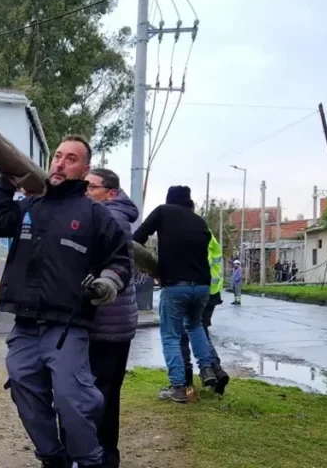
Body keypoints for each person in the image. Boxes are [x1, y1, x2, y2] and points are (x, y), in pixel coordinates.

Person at [0, 135, 132, 468]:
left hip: (67, 326)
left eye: (71, 159)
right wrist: (5, 182)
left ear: (84, 169)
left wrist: (108, 282)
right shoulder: (31, 206)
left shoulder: (95, 214)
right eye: (58, 156)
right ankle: (52, 458)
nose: (61, 163)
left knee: (71, 398)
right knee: (21, 382)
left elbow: (121, 260)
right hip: (25, 324)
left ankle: (90, 460)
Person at [132, 186, 217, 404]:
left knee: (171, 336)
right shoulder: (200, 221)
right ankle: (207, 368)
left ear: (169, 199)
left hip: (175, 286)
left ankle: (178, 387)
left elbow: (137, 238)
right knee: (195, 325)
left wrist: (150, 265)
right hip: (202, 286)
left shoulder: (163, 212)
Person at [81, 167, 139, 468]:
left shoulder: (109, 217)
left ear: (111, 193)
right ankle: (107, 456)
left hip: (106, 323)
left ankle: (100, 457)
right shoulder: (118, 214)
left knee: (97, 395)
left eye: (91, 187)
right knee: (107, 393)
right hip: (118, 323)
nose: (85, 191)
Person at [179, 233, 231, 396]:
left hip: (196, 290)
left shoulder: (188, 233)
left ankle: (186, 380)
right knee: (202, 333)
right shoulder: (207, 233)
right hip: (213, 293)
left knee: (184, 333)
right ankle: (216, 370)